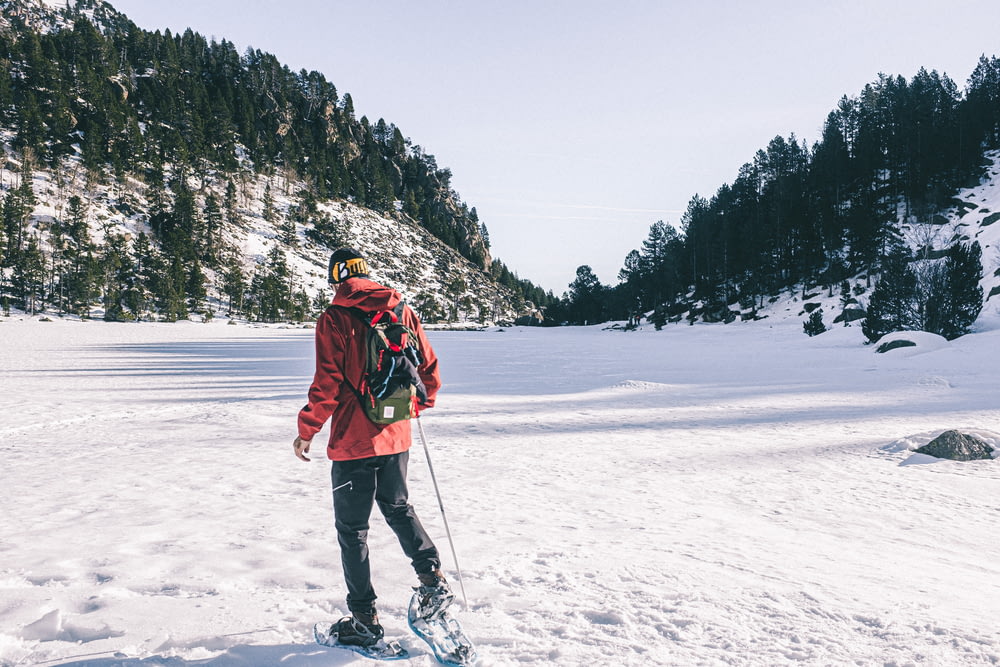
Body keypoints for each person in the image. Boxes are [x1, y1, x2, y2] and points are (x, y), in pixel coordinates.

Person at [293, 247, 452, 648]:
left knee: (353, 531)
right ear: (366, 273)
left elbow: (327, 383)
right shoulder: (401, 310)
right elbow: (429, 371)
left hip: (353, 439)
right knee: (398, 507)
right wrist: (414, 406)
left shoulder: (335, 318)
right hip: (396, 433)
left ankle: (364, 620)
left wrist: (307, 428)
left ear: (335, 279)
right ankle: (433, 580)